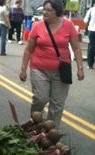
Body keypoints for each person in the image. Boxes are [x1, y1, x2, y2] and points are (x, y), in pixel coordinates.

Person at [19, 0, 85, 128]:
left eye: (49, 10)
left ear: (58, 12)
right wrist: (23, 69)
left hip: (61, 71)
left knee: (57, 104)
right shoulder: (37, 26)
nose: (44, 12)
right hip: (39, 69)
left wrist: (80, 68)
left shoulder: (68, 25)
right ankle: (34, 125)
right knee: (40, 98)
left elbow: (76, 48)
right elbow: (28, 49)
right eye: (44, 9)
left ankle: (50, 134)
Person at [84, 4, 95, 69]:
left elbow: (85, 20)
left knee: (91, 47)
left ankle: (90, 64)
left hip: (91, 30)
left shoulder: (91, 10)